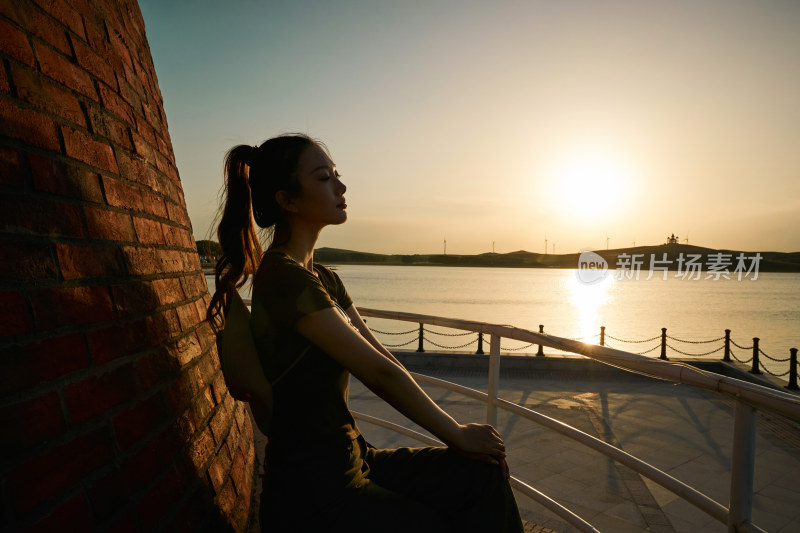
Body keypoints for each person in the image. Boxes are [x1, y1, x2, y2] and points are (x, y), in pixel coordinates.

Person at [207, 134, 524, 532]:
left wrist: (464, 444)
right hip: (314, 491)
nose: (341, 187)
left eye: (337, 175)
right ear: (287, 200)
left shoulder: (322, 278)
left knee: (482, 474)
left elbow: (382, 358)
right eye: (324, 178)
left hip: (356, 459)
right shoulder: (282, 277)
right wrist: (456, 433)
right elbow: (378, 374)